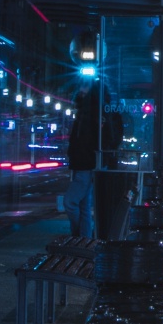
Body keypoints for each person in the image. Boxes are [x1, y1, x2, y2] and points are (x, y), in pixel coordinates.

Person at [64, 87, 98, 238]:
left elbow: (81, 142)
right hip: (86, 164)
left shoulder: (85, 116)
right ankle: (84, 238)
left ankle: (78, 234)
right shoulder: (88, 115)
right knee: (84, 206)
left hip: (83, 164)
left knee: (70, 202)